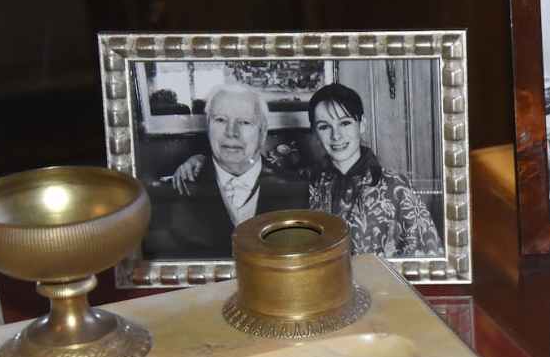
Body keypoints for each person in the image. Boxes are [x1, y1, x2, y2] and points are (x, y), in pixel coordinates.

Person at [146, 84, 307, 258]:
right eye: (221, 120)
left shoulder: (299, 191)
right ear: (208, 127)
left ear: (262, 133)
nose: (231, 132)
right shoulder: (172, 195)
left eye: (245, 122)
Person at [305, 83, 443, 257]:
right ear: (315, 133)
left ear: (362, 125)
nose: (336, 135)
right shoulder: (310, 186)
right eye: (324, 126)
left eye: (345, 123)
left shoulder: (396, 187)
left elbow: (430, 254)